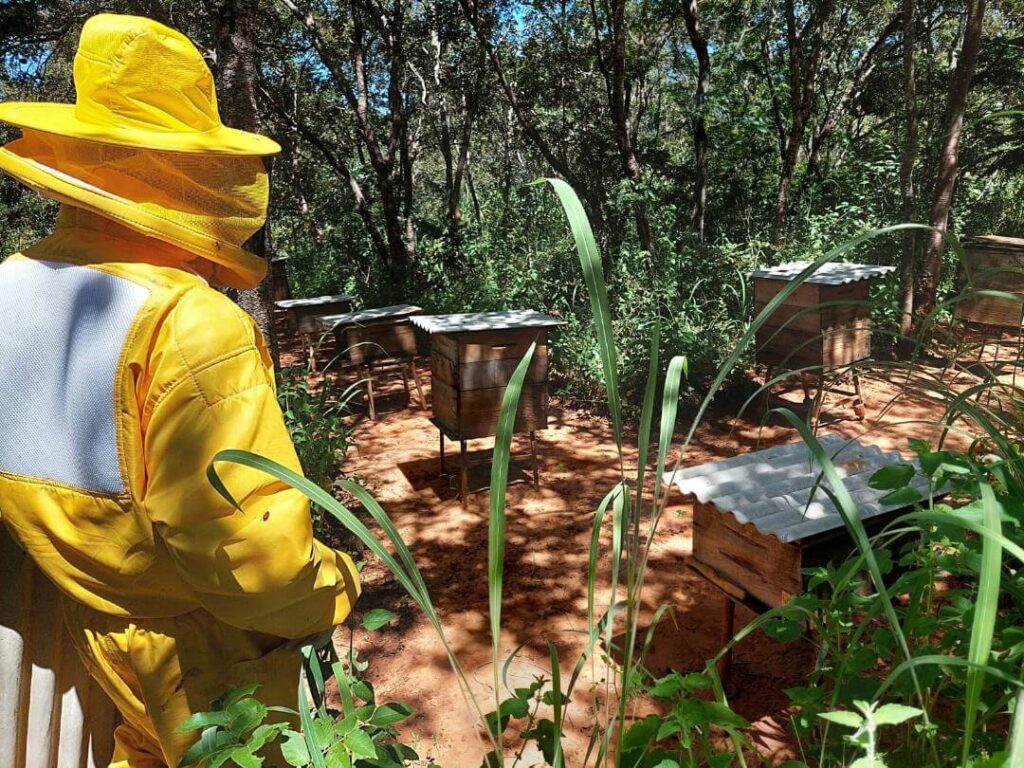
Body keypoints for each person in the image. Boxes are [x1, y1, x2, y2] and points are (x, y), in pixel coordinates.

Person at [0, 13, 360, 767]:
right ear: (192, 175)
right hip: (207, 660)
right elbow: (255, 563)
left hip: (80, 629)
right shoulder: (190, 324)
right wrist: (337, 583)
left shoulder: (9, 288)